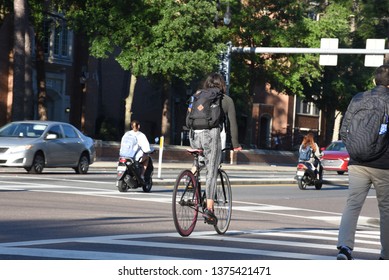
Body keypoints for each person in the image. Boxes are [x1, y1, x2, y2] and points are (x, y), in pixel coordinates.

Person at [337, 65, 389, 260]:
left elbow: (344, 129)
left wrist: (356, 151)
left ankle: (344, 248)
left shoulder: (358, 98)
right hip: (384, 165)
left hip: (357, 162)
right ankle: (386, 255)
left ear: (375, 80)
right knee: (386, 209)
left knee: (352, 205)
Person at [189, 73, 242, 225]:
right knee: (211, 170)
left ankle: (190, 176)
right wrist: (236, 144)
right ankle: (210, 210)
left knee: (199, 162)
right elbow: (232, 124)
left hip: (193, 134)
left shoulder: (198, 95)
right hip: (210, 135)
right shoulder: (226, 100)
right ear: (222, 85)